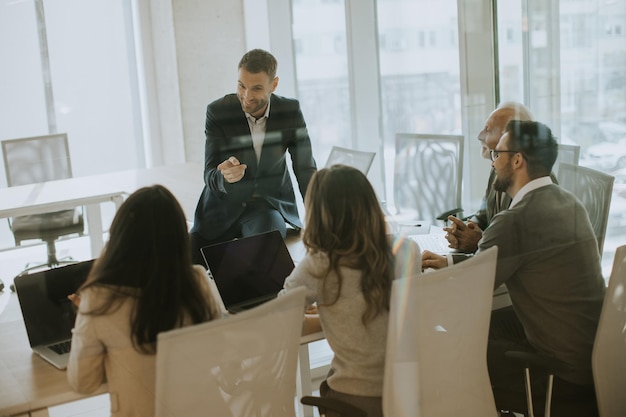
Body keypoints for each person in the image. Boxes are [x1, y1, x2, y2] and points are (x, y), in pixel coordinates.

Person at [423, 121, 605, 416]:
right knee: (483, 325)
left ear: (518, 160)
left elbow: (462, 295)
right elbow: (496, 263)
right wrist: (450, 263)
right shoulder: (571, 203)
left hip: (560, 377)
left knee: (442, 346)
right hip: (595, 364)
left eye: (497, 153)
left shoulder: (515, 220)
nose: (492, 162)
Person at [67, 185, 223, 417]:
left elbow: (83, 382)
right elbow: (216, 352)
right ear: (179, 239)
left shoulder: (99, 300)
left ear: (118, 239)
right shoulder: (197, 282)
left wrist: (86, 320)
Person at [279, 165, 421, 417]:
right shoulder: (407, 251)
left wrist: (327, 316)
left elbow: (280, 323)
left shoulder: (318, 266)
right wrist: (335, 315)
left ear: (318, 215)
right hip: (411, 392)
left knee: (328, 383)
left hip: (357, 400)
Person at [189, 48, 317, 265]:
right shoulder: (218, 111)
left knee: (263, 256)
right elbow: (209, 173)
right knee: (185, 264)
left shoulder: (290, 111)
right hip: (221, 207)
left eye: (256, 88)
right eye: (241, 86)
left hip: (266, 208)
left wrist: (319, 217)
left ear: (273, 85)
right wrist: (225, 176)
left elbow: (305, 169)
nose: (247, 96)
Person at [445, 102, 533, 253]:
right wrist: (463, 230)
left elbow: (518, 249)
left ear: (510, 137)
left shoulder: (530, 180)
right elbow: (483, 215)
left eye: (488, 130)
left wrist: (480, 242)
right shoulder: (497, 166)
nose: (479, 136)